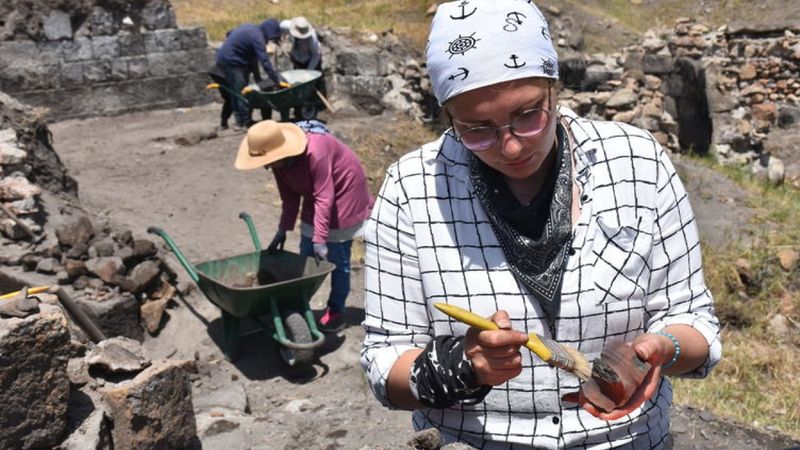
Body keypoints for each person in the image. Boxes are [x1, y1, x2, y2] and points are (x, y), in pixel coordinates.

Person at [360, 1, 722, 448]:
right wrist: (463, 366)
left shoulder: (637, 162)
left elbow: (695, 323)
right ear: (448, 116)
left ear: (555, 86)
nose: (510, 147)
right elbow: (383, 361)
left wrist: (664, 348)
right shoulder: (411, 189)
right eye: (476, 128)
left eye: (529, 114)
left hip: (628, 438)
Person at [234, 120, 373, 331]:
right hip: (317, 195)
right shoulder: (279, 162)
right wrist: (283, 229)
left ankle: (336, 311)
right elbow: (289, 198)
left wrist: (320, 239)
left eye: (268, 161)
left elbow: (325, 198)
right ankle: (300, 307)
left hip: (344, 194)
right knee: (305, 254)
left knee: (336, 259)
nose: (266, 166)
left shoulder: (316, 151)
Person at [216, 19, 287, 129]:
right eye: (271, 37)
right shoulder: (257, 37)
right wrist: (276, 80)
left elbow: (253, 60)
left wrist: (258, 78)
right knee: (241, 92)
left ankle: (241, 121)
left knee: (237, 91)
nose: (270, 40)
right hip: (233, 61)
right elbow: (264, 61)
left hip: (227, 60)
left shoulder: (252, 29)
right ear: (268, 31)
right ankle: (245, 123)